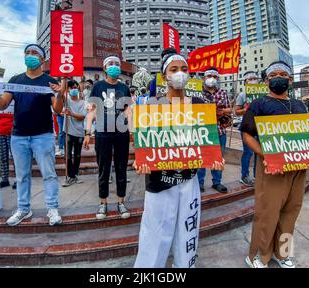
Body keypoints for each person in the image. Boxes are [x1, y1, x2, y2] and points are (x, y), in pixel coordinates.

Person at [133, 48, 224, 268]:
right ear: (164, 76)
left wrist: (214, 157)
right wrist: (140, 160)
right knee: (154, 235)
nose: (180, 74)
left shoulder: (200, 104)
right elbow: (142, 141)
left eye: (184, 69)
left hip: (188, 180)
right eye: (174, 69)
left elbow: (207, 139)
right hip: (158, 182)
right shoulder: (150, 105)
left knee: (187, 232)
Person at [240, 61, 309, 268]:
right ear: (266, 81)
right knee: (267, 212)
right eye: (274, 75)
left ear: (290, 80)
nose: (279, 77)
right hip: (272, 168)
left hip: (298, 169)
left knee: (291, 211)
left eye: (284, 74)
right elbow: (247, 135)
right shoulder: (259, 104)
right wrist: (267, 155)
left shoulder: (300, 105)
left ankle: (282, 254)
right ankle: (259, 255)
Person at [0, 44, 66, 227]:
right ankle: (23, 209)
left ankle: (52, 208)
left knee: (49, 174)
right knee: (21, 176)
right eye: (27, 53)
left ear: (42, 59)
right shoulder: (15, 80)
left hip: (43, 135)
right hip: (19, 136)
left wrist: (60, 94)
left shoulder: (49, 80)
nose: (30, 56)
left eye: (35, 53)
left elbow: (57, 109)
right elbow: (2, 105)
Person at [83, 55, 132, 220]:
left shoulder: (124, 88)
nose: (114, 67)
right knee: (103, 168)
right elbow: (91, 110)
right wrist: (87, 132)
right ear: (104, 68)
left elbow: (128, 111)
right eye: (110, 64)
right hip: (103, 133)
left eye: (117, 64)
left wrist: (132, 130)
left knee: (121, 168)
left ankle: (121, 201)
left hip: (121, 133)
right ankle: (103, 203)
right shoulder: (97, 87)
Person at [197, 68, 232, 193]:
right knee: (201, 157)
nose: (211, 78)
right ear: (204, 78)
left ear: (217, 78)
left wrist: (219, 111)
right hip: (203, 132)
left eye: (214, 76)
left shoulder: (222, 92)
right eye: (209, 76)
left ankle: (217, 182)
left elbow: (229, 109)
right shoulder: (197, 93)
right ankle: (199, 183)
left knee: (218, 157)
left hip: (220, 131)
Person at [235, 71, 260, 187]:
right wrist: (246, 110)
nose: (253, 80)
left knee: (258, 152)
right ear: (245, 82)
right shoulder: (242, 95)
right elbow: (237, 111)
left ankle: (257, 176)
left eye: (255, 78)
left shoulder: (263, 94)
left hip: (261, 127)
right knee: (248, 152)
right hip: (248, 126)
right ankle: (244, 176)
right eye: (250, 79)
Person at [62, 80, 87, 186]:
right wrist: (64, 78)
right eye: (71, 87)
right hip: (68, 131)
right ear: (68, 89)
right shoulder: (66, 100)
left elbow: (82, 117)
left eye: (76, 87)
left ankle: (74, 175)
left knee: (77, 155)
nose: (74, 89)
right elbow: (61, 92)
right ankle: (70, 177)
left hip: (79, 133)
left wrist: (71, 113)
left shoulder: (83, 103)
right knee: (68, 156)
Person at [0, 101, 15, 189]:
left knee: (15, 156)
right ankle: (5, 179)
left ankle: (17, 179)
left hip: (13, 131)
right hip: (0, 131)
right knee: (2, 156)